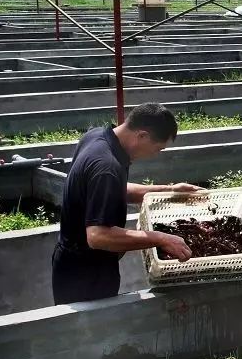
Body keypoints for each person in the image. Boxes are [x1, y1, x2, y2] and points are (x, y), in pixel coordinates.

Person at [52, 103, 201, 305]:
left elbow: (112, 189)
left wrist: (170, 190)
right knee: (92, 334)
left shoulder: (97, 138)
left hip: (74, 266)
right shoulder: (107, 166)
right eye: (158, 148)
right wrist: (160, 238)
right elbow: (98, 236)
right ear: (142, 136)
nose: (155, 154)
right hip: (85, 275)